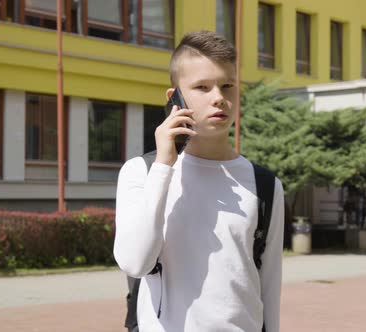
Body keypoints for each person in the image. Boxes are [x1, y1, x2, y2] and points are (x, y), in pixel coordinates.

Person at [113, 31, 284, 332]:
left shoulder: (265, 185)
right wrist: (165, 165)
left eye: (227, 86)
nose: (219, 97)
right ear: (174, 98)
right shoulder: (141, 172)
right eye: (202, 87)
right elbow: (135, 262)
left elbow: (269, 287)